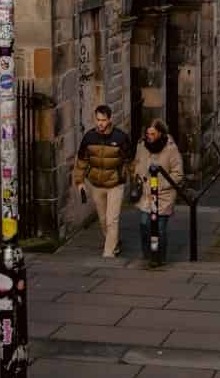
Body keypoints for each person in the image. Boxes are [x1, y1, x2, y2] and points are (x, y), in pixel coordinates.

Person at [73, 104, 132, 257]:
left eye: (103, 120)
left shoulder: (120, 137)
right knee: (103, 219)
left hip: (115, 184)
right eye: (98, 120)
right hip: (96, 185)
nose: (100, 123)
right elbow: (81, 161)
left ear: (110, 119)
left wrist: (132, 179)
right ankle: (114, 243)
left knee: (112, 219)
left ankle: (108, 253)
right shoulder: (89, 137)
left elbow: (130, 161)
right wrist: (79, 182)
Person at [132, 118, 184, 266]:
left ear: (160, 133)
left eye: (153, 133)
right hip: (146, 194)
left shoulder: (170, 148)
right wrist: (137, 177)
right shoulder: (142, 145)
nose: (150, 136)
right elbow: (137, 163)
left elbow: (178, 173)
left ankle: (159, 258)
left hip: (163, 195)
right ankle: (147, 255)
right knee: (144, 224)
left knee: (159, 229)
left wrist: (161, 185)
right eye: (148, 133)